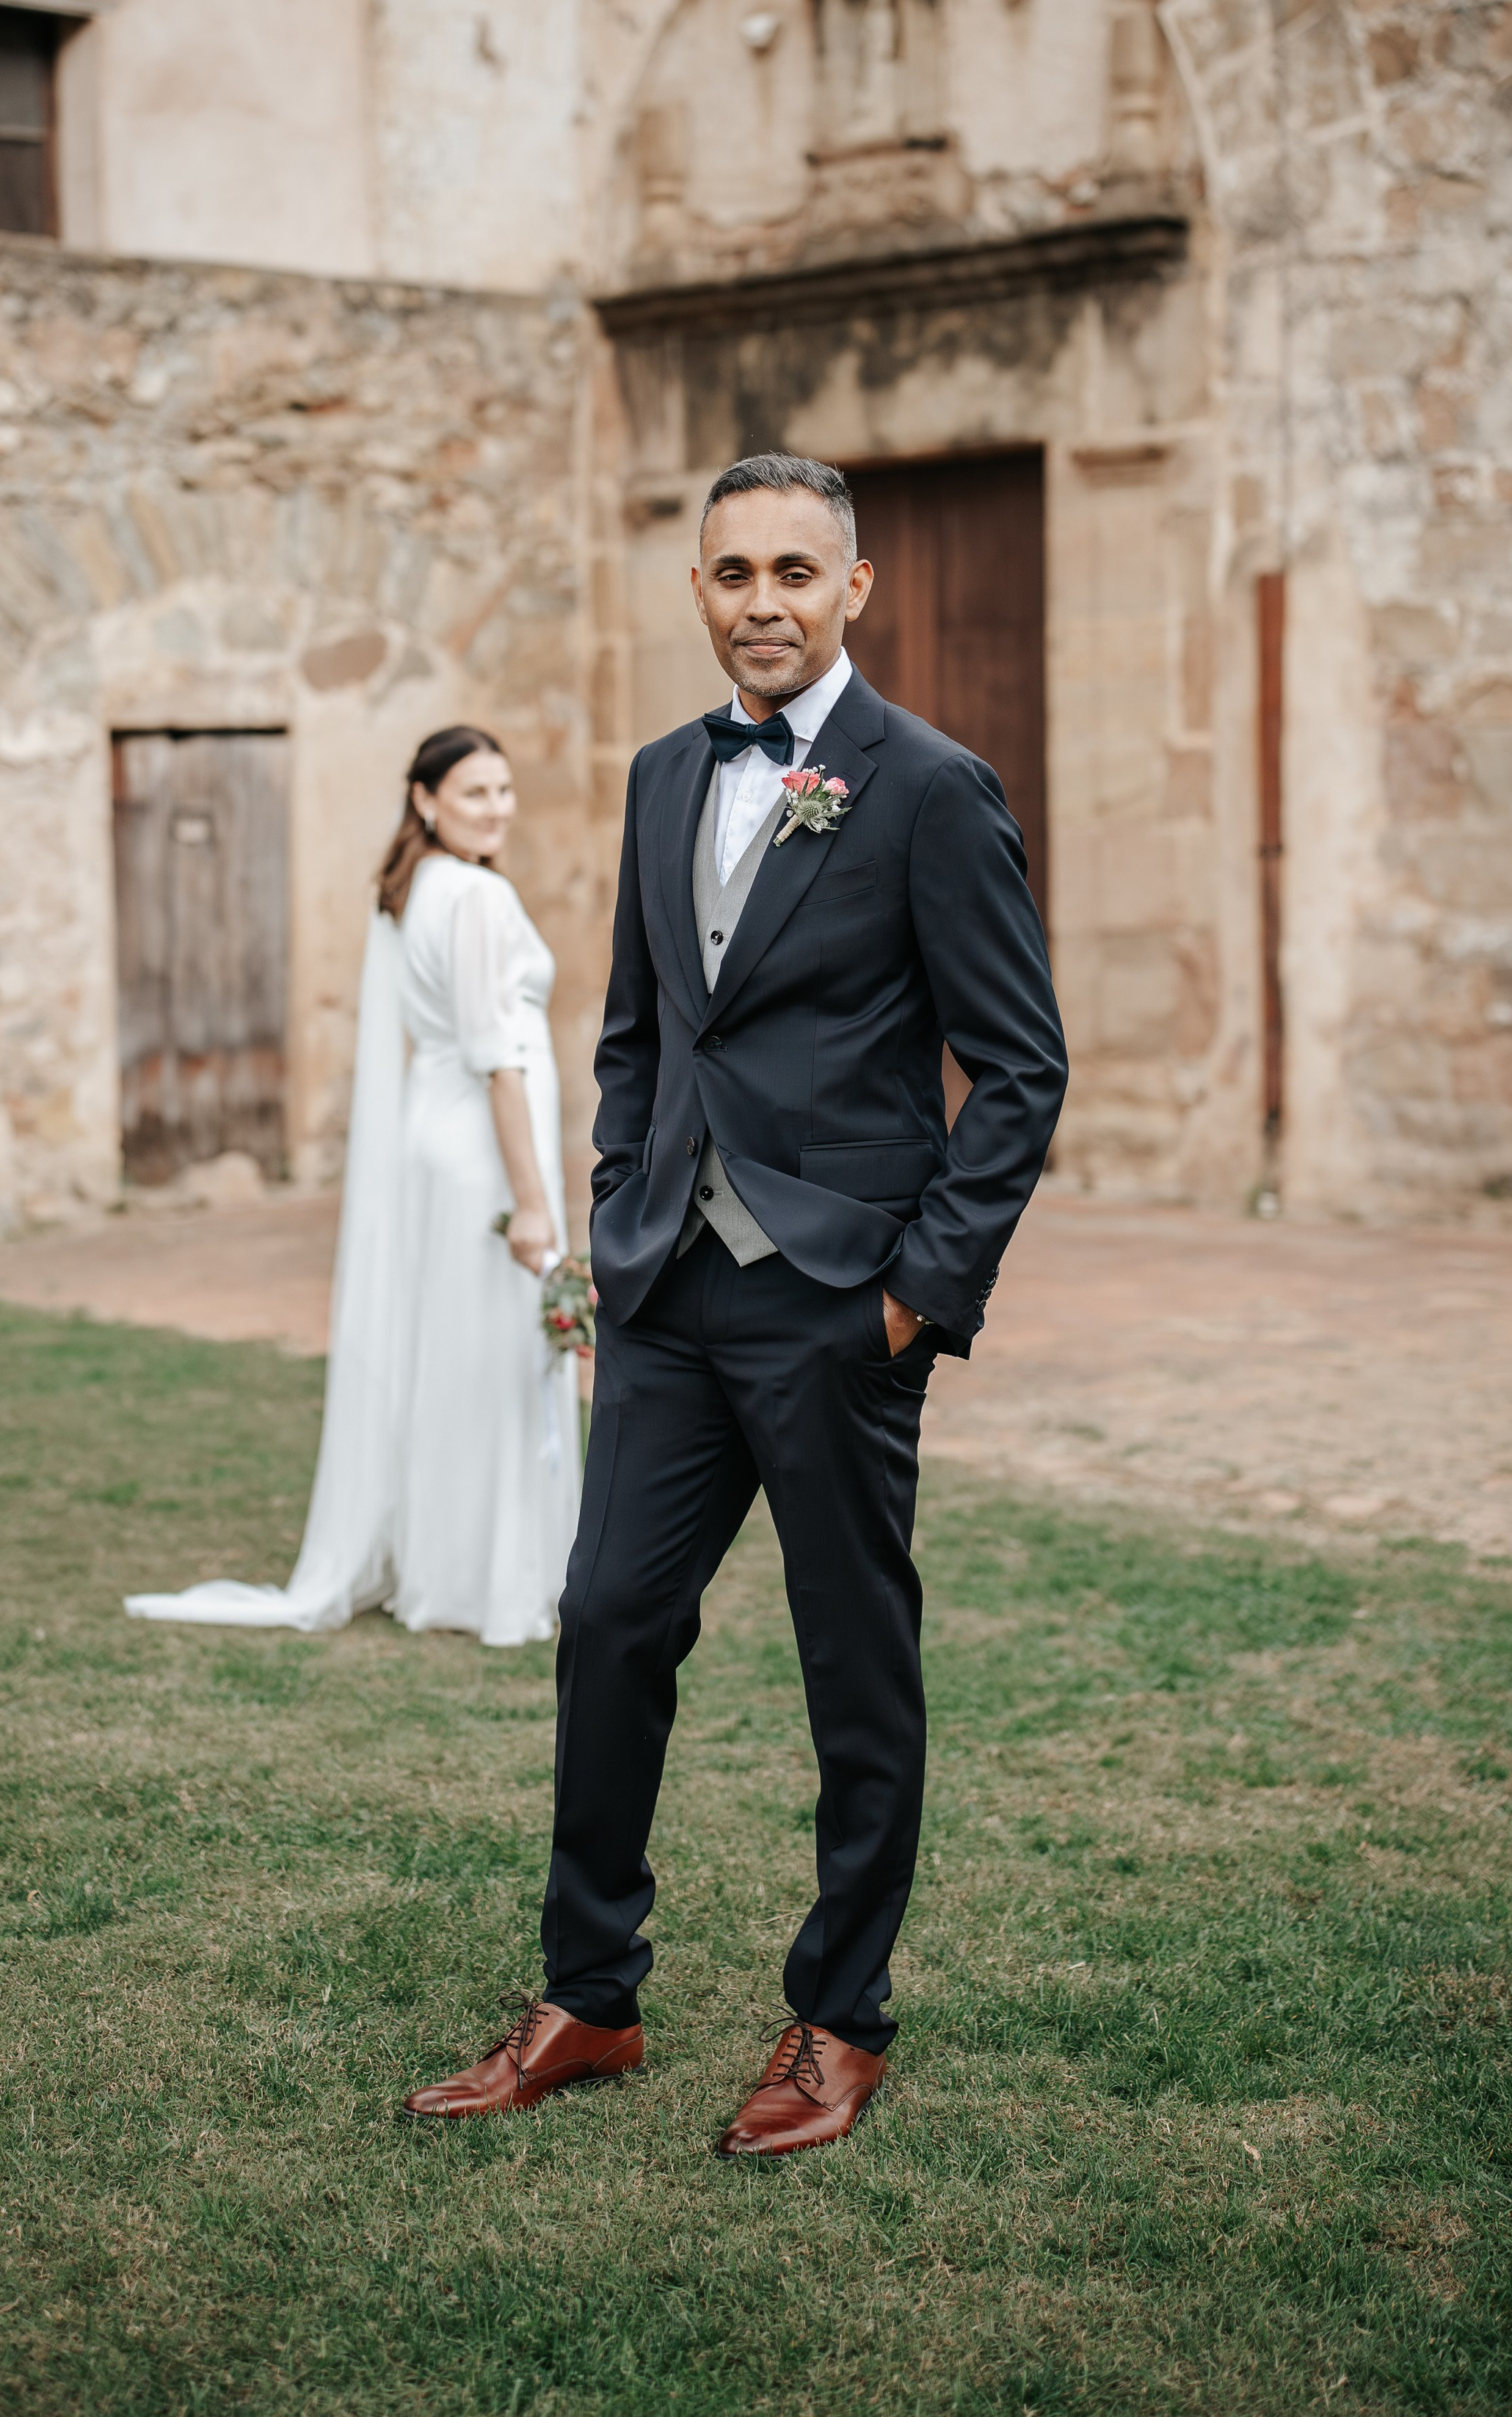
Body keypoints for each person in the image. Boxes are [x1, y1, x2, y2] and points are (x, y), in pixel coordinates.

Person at [404, 454, 1067, 2151]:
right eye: (728, 572)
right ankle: (588, 1999)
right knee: (610, 1617)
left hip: (840, 1309)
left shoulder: (925, 785)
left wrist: (920, 1292)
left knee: (854, 1669)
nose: (758, 599)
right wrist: (625, 1198)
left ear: (853, 586)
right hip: (669, 1299)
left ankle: (837, 2017)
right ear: (695, 589)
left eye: (792, 569)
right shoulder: (651, 776)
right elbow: (642, 1020)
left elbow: (1015, 1065)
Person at [126, 725, 581, 1650]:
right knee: (490, 1358)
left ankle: (443, 1566)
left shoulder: (411, 890)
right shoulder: (478, 897)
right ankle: (493, 1581)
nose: (496, 808)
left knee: (455, 1353)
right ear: (425, 800)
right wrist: (531, 1200)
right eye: (474, 793)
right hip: (487, 1155)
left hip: (435, 1142)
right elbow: (498, 1061)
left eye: (503, 791)